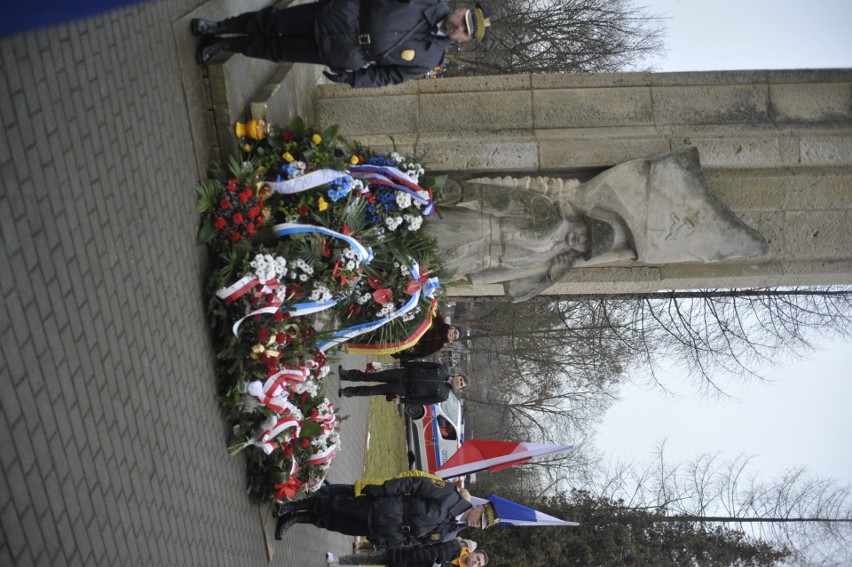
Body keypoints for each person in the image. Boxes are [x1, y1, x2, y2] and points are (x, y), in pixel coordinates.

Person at [191, 1, 491, 88]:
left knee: (276, 51)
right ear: (461, 8)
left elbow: (390, 76)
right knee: (272, 23)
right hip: (338, 16)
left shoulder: (430, 59)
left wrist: (353, 77)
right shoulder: (426, 0)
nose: (459, 27)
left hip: (344, 53)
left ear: (463, 40)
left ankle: (221, 47)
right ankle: (220, 27)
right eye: (464, 19)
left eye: (465, 31)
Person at [274, 472, 485, 544]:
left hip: (384, 529)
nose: (476, 524)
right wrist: (384, 489)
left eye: (480, 526)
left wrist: (388, 541)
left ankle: (296, 520)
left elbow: (418, 541)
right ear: (479, 508)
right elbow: (414, 483)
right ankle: (292, 506)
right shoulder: (450, 495)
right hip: (385, 508)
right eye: (480, 518)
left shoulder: (452, 533)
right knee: (336, 505)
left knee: (335, 523)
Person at [337, 362, 467, 404]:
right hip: (402, 374)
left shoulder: (443, 396)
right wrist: (404, 363)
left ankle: (347, 392)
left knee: (373, 390)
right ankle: (345, 375)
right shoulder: (442, 369)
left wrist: (403, 401)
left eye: (461, 384)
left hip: (402, 389)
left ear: (459, 389)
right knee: (371, 376)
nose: (458, 382)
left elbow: (422, 401)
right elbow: (422, 364)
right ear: (458, 375)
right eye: (460, 379)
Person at [326, 537, 488, 566]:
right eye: (478, 558)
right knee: (369, 558)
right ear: (473, 553)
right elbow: (427, 541)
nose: (476, 562)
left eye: (478, 564)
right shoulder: (454, 544)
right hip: (403, 553)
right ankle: (338, 561)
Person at [393, 310, 459, 361]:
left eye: (454, 337)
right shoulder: (439, 320)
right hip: (402, 327)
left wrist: (402, 357)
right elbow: (426, 311)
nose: (453, 335)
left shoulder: (439, 345)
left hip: (401, 345)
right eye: (454, 332)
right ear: (452, 328)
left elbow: (421, 355)